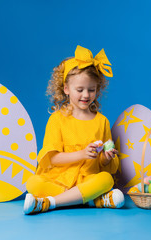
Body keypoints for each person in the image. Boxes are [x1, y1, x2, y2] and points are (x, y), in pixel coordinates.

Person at [23, 45, 124, 215]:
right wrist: (82, 154)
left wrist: (106, 158)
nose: (86, 95)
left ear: (97, 90)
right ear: (66, 89)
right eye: (80, 90)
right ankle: (92, 200)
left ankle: (49, 203)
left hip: (87, 179)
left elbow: (103, 164)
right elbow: (52, 159)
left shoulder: (102, 121)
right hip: (60, 179)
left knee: (106, 179)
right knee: (32, 183)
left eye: (91, 90)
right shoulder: (57, 119)